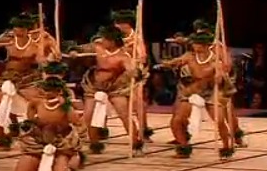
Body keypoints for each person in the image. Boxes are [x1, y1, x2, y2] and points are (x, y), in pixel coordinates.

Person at [159, 30, 236, 159]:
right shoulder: (189, 56)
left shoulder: (215, 60)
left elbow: (219, 75)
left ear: (205, 45)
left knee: (219, 120)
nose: (193, 45)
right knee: (178, 120)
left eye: (196, 43)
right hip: (193, 89)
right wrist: (168, 63)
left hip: (211, 91)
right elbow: (177, 61)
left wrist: (218, 76)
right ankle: (184, 147)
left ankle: (226, 147)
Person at [0, 13, 45, 150]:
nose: (16, 30)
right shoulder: (9, 40)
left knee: (34, 104)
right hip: (5, 78)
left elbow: (42, 62)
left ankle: (36, 136)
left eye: (19, 28)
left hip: (25, 81)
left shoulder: (35, 46)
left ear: (26, 30)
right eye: (15, 27)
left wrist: (47, 59)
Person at [72, 25, 142, 155]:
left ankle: (135, 143)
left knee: (124, 115)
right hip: (93, 86)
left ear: (112, 41)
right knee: (88, 115)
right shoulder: (97, 47)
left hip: (115, 88)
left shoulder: (123, 56)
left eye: (105, 39)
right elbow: (82, 48)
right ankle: (93, 143)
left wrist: (134, 72)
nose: (102, 40)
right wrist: (74, 51)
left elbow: (131, 68)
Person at [13, 76, 83, 171]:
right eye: (44, 89)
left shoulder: (65, 105)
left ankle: (73, 161)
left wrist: (66, 106)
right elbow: (30, 121)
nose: (45, 92)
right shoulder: (36, 102)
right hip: (39, 142)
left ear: (59, 91)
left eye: (49, 90)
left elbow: (76, 121)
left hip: (61, 143)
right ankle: (36, 166)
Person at [112, 9, 154, 143]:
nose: (115, 26)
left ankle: (143, 131)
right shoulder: (114, 36)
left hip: (134, 72)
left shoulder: (136, 37)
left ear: (126, 24)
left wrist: (134, 55)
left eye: (118, 23)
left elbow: (142, 56)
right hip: (116, 75)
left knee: (138, 103)